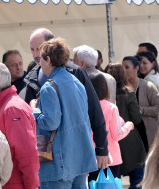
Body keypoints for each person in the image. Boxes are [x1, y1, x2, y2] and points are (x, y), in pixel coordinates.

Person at [32, 38, 98, 189]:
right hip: (80, 157)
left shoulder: (50, 86)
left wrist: (33, 111)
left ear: (49, 59)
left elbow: (51, 122)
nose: (39, 63)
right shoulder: (76, 82)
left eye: (40, 59)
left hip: (58, 159)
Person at [23, 28, 110, 170]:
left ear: (51, 45)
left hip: (74, 152)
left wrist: (101, 148)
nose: (35, 54)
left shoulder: (75, 72)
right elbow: (29, 122)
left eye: (38, 49)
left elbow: (94, 111)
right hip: (47, 157)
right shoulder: (32, 77)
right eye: (32, 50)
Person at [89, 72, 133, 189]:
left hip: (91, 156)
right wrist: (128, 126)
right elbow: (116, 134)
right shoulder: (111, 107)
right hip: (112, 157)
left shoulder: (86, 106)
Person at [122, 55, 159, 189]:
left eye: (127, 67)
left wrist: (140, 110)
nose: (124, 70)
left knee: (142, 174)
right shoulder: (121, 89)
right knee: (134, 174)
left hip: (145, 135)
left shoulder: (148, 86)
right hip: (128, 137)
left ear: (136, 68)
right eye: (123, 67)